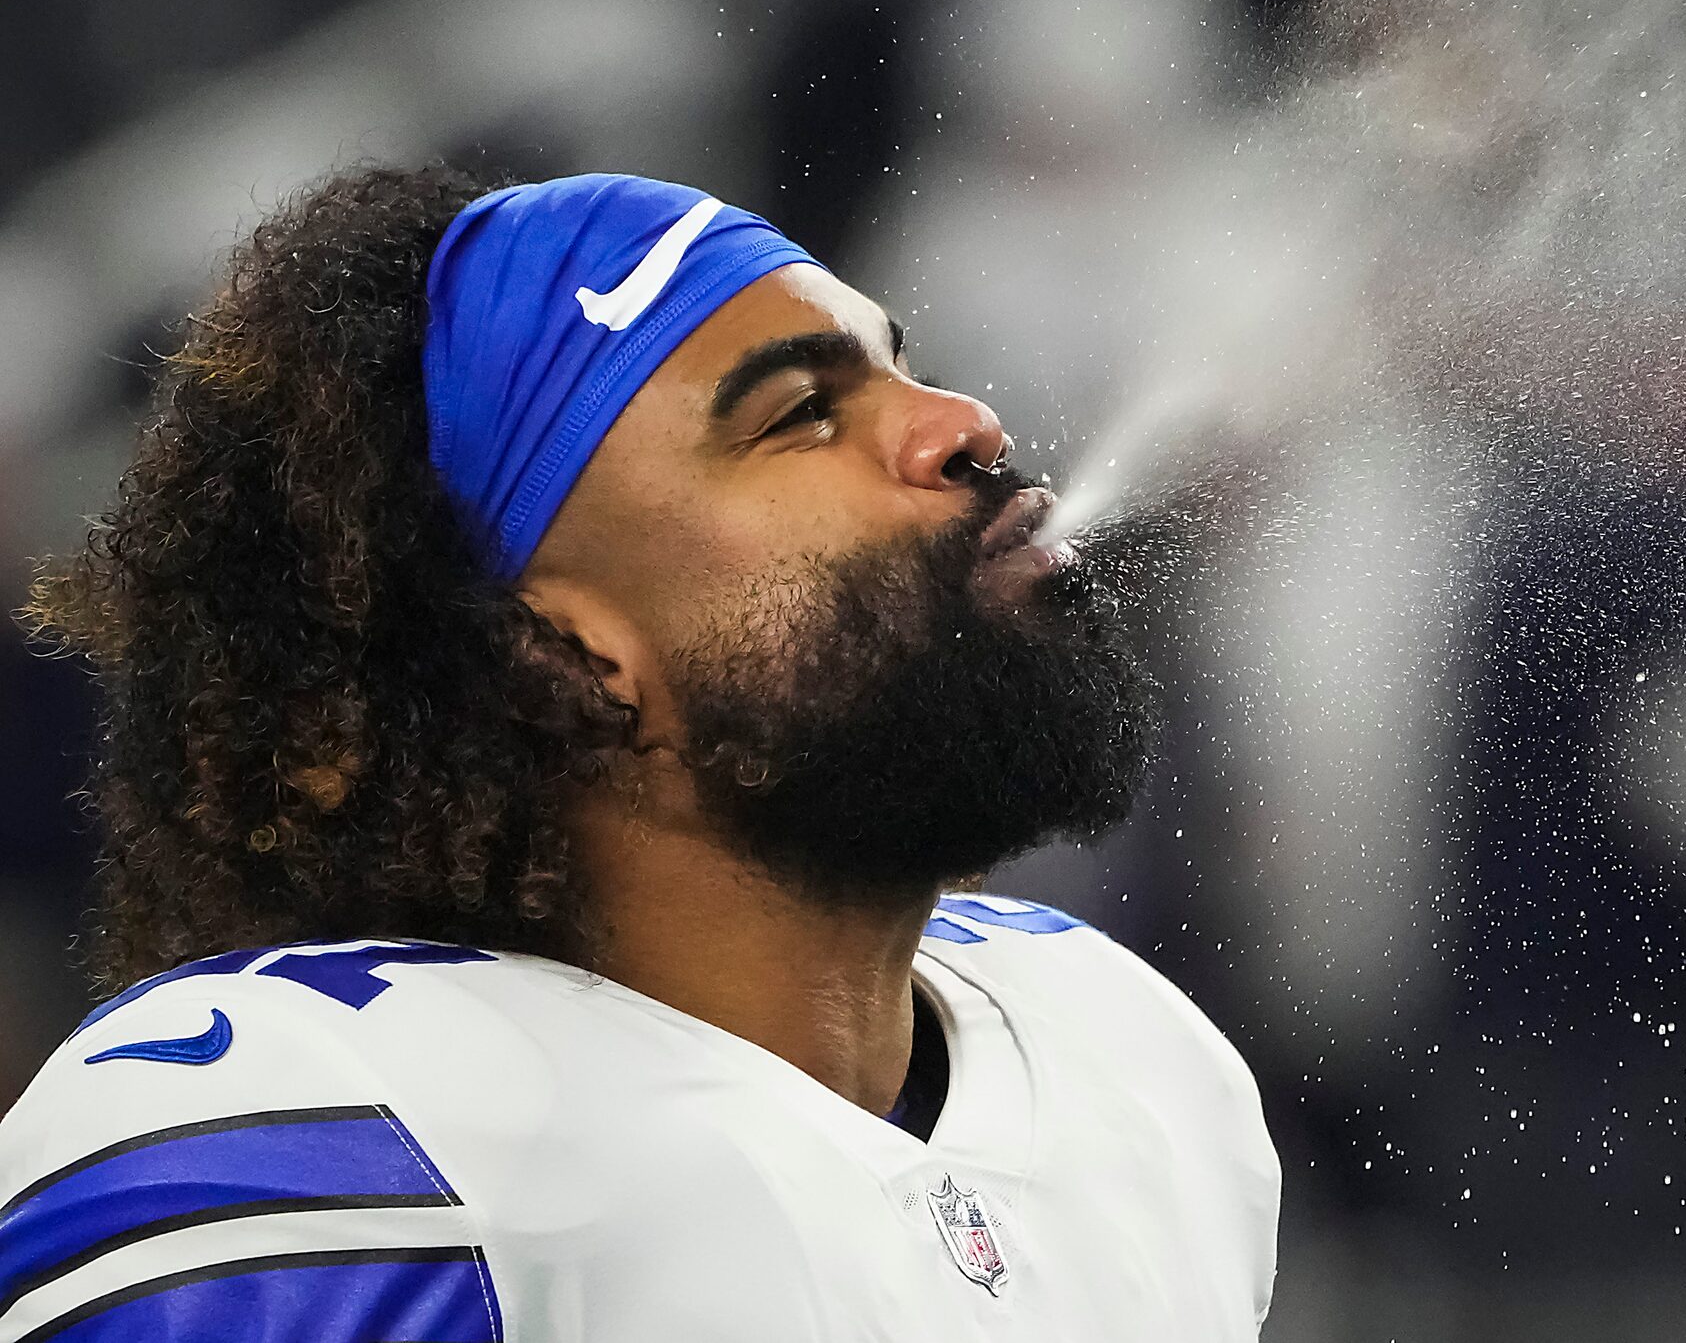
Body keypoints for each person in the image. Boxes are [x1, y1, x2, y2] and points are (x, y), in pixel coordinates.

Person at [0, 167, 1278, 1341]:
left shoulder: (1129, 1059)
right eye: (799, 416)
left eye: (901, 367)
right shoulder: (330, 1154)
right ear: (566, 651)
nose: (962, 424)